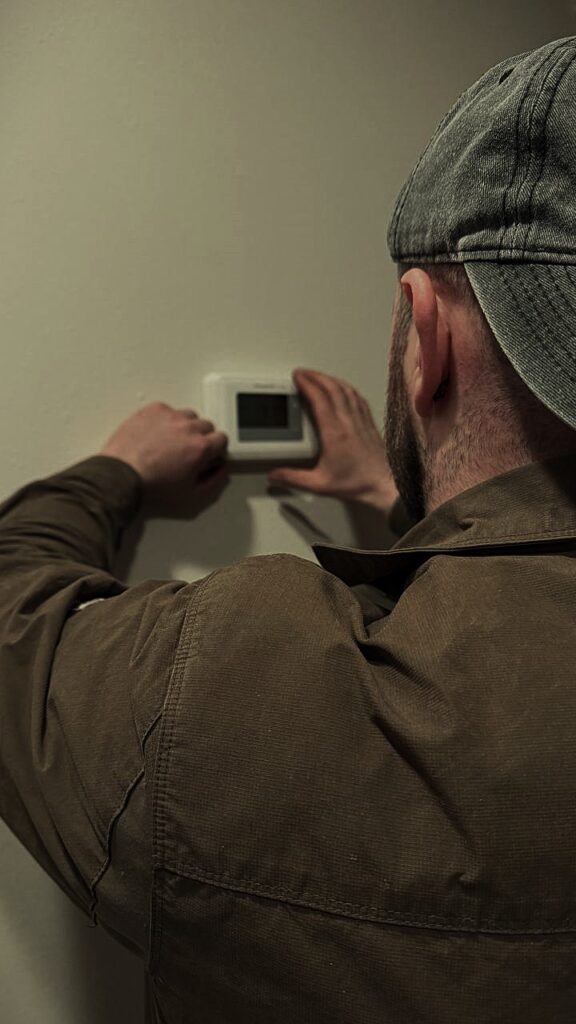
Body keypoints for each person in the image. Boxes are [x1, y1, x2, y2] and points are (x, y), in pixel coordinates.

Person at [1, 35, 576, 1024]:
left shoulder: (236, 689)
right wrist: (400, 498)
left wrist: (116, 473)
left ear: (425, 336)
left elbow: (12, 610)